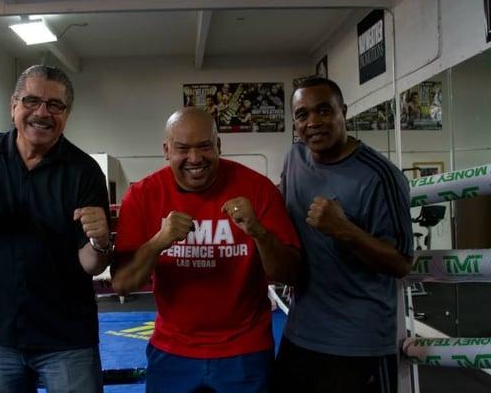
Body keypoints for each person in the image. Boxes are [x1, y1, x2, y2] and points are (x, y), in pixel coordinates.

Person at [0, 64, 112, 392]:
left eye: (54, 105)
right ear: (13, 105)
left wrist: (101, 242)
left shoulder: (84, 172)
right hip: (1, 338)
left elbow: (91, 264)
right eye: (31, 101)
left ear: (66, 114)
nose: (42, 112)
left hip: (67, 339)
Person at [112, 107, 302, 393]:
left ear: (218, 146)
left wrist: (259, 232)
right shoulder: (143, 196)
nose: (195, 158)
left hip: (245, 350)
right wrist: (158, 242)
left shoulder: (258, 190)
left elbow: (291, 273)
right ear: (166, 150)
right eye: (182, 149)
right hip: (172, 351)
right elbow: (122, 284)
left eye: (204, 146)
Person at [273, 77, 413, 393]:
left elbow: (402, 263)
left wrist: (345, 230)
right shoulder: (294, 158)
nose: (313, 122)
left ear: (343, 112)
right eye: (302, 114)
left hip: (357, 343)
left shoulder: (380, 176)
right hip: (300, 334)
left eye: (324, 110)